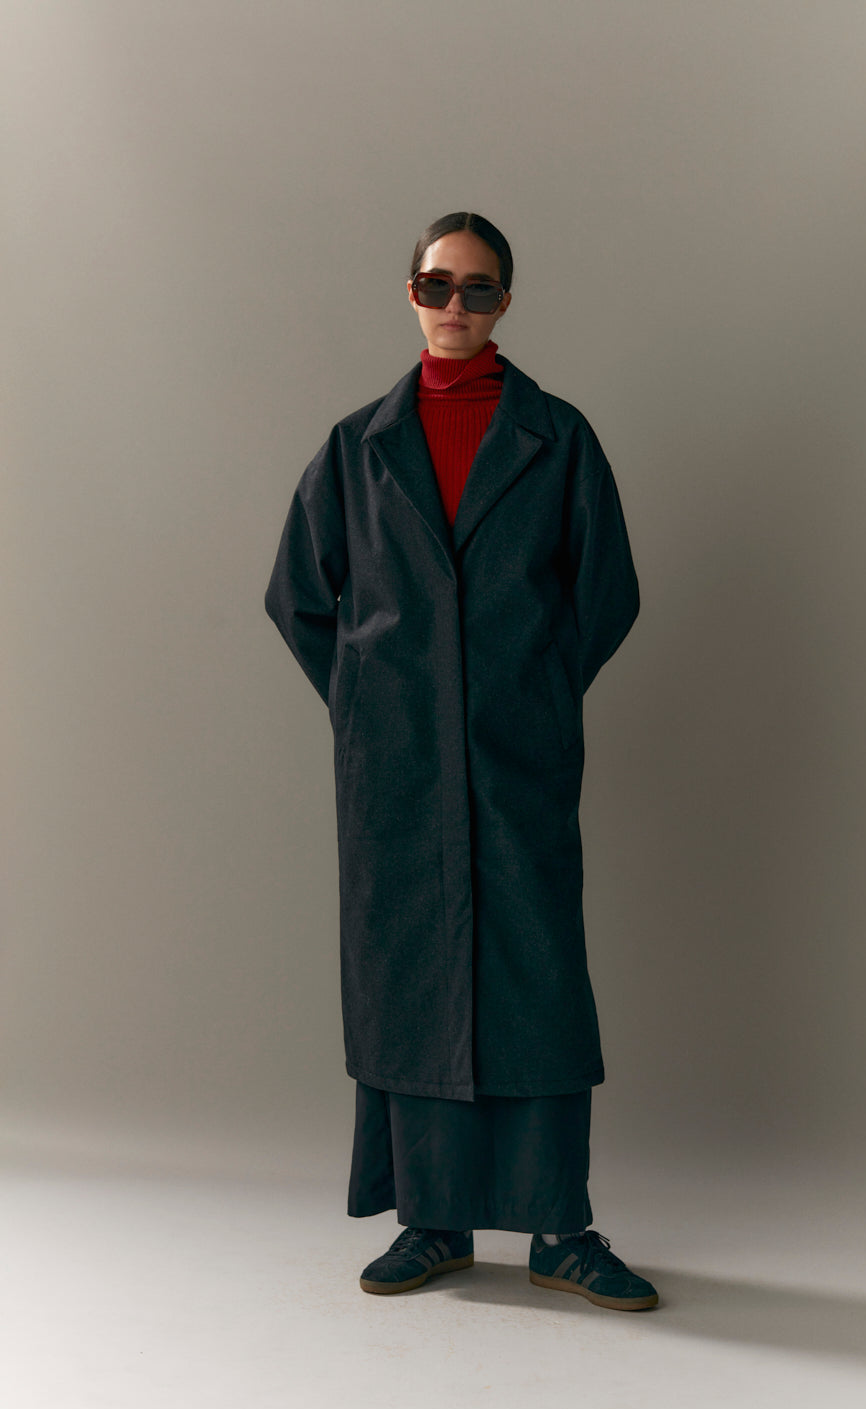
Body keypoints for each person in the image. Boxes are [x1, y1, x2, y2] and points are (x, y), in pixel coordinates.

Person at [265, 211, 657, 1312]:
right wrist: (373, 707)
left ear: (504, 304)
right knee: (409, 973)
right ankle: (430, 1221)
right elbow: (297, 595)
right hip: (392, 768)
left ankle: (559, 1229)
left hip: (517, 755)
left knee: (537, 973)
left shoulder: (556, 438)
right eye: (438, 285)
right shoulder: (357, 447)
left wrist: (531, 694)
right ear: (411, 293)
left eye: (479, 289)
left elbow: (606, 592)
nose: (455, 306)